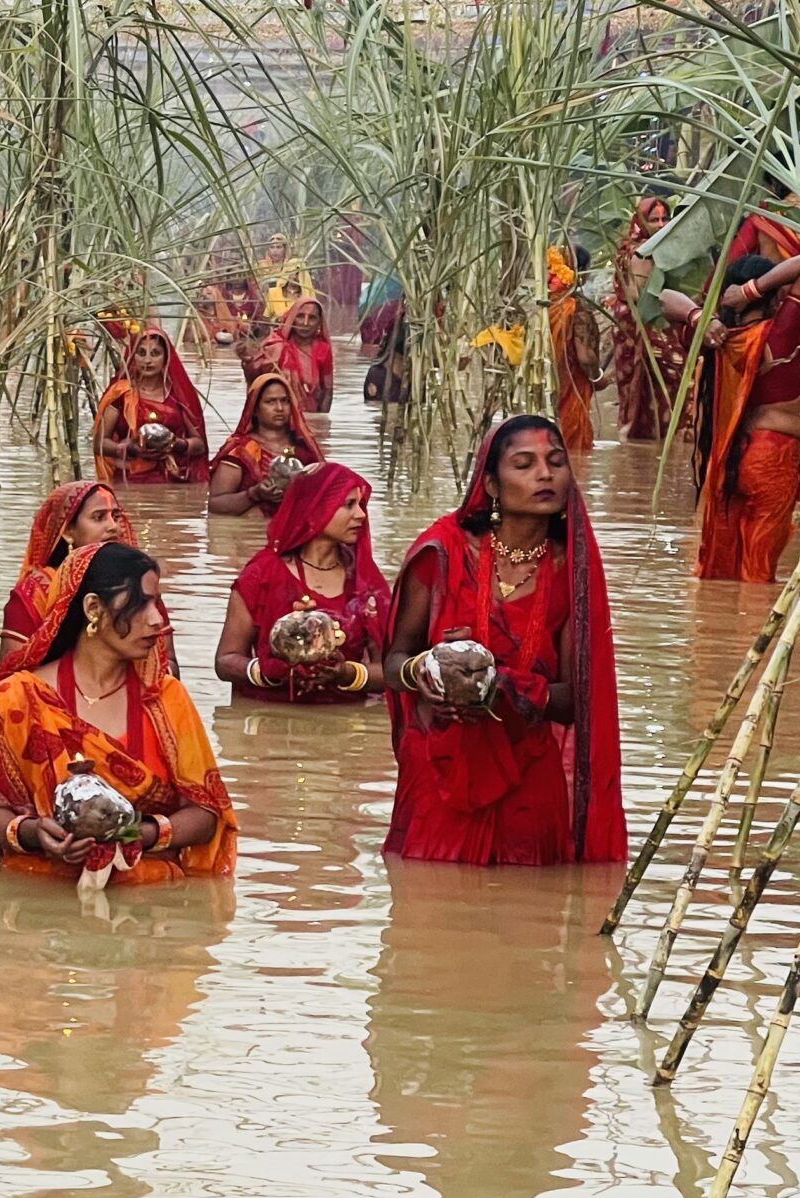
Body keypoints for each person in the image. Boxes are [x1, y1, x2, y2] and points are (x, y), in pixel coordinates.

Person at [380, 416, 626, 865]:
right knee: (426, 913)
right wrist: (426, 672)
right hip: (441, 769)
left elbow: (575, 702)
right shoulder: (443, 552)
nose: (545, 474)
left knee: (529, 920)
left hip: (528, 776)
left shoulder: (571, 571)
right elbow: (394, 662)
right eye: (525, 464)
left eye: (555, 462)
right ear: (492, 484)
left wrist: (505, 688)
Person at [0, 543, 238, 885]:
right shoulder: (18, 699)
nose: (158, 619)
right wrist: (33, 833)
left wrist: (138, 834)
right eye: (140, 603)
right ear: (92, 608)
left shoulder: (166, 697)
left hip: (149, 910)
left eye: (157, 603)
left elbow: (206, 813)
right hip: (38, 904)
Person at [659, 250, 800, 582]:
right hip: (771, 461)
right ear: (777, 295)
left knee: (721, 573)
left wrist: (698, 317)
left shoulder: (715, 339)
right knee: (758, 578)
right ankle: (746, 631)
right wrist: (752, 289)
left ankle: (715, 630)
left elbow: (660, 297)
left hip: (726, 463)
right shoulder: (778, 335)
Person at [214, 462, 390, 704]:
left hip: (342, 724)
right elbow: (225, 661)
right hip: (267, 724)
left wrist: (346, 673)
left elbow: (392, 670)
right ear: (316, 510)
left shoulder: (364, 581)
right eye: (348, 505)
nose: (361, 514)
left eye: (360, 505)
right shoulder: (262, 575)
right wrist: (271, 672)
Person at [2, 481, 137, 662]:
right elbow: (8, 677)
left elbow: (166, 664)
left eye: (115, 516)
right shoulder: (35, 594)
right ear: (68, 532)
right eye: (98, 517)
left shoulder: (137, 583)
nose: (113, 526)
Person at [92, 326, 209, 485]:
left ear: (165, 358)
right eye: (141, 353)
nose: (147, 360)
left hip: (173, 482)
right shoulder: (121, 394)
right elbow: (99, 444)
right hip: (129, 482)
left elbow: (200, 444)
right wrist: (128, 449)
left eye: (155, 353)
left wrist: (176, 444)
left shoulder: (178, 395)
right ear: (133, 357)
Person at [608, 197, 683, 442]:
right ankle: (647, 443)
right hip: (642, 330)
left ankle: (638, 440)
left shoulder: (628, 248)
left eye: (665, 219)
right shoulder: (643, 253)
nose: (661, 225)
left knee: (635, 391)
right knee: (655, 388)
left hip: (628, 328)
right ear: (641, 222)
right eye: (654, 220)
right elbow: (640, 299)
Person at [207, 374, 325, 517]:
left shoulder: (304, 448)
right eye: (270, 402)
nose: (279, 408)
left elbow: (325, 493)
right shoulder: (240, 450)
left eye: (285, 401)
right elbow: (215, 504)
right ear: (255, 409)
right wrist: (254, 494)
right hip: (251, 534)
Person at [547, 245, 605, 457]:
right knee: (573, 452)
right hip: (571, 389)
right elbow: (584, 357)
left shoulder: (544, 307)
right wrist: (598, 377)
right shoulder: (576, 311)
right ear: (582, 275)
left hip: (547, 387)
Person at [241, 299, 335, 416]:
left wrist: (320, 424)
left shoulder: (323, 349)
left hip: (310, 416)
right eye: (300, 316)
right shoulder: (274, 346)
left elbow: (328, 391)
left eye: (312, 318)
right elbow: (256, 380)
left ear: (319, 322)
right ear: (291, 318)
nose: (305, 323)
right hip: (276, 417)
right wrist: (247, 361)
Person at [256, 233, 314, 317]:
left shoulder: (292, 266)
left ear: (285, 249)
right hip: (263, 304)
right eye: (272, 247)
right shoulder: (260, 267)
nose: (275, 250)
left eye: (278, 247)